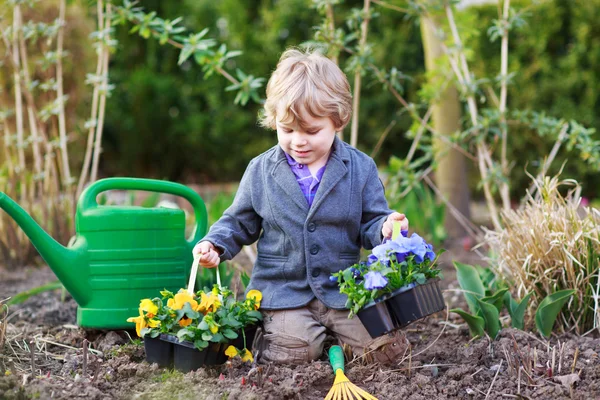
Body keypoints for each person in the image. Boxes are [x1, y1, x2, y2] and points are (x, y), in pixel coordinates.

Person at [193, 48, 409, 365]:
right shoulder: (261, 171)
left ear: (338, 121)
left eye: (311, 131)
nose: (298, 141)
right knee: (294, 353)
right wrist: (215, 244)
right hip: (284, 292)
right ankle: (293, 337)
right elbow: (238, 222)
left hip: (342, 291)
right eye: (287, 129)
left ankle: (335, 337)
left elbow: (371, 221)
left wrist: (386, 228)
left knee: (386, 353)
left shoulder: (359, 169)